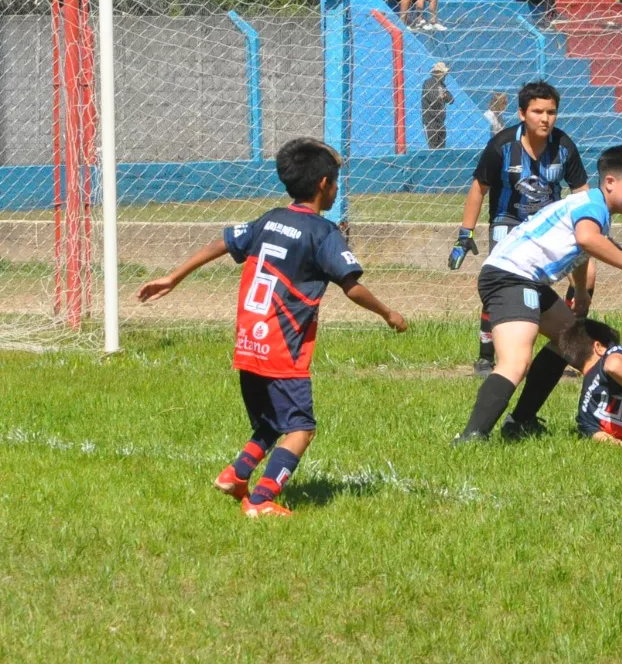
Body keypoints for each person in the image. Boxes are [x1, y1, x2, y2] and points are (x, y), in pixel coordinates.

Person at [136, 138, 407, 517]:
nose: (337, 188)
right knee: (300, 429)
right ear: (323, 185)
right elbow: (352, 286)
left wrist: (174, 277)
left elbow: (223, 242)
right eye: (336, 182)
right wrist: (388, 313)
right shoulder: (323, 233)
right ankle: (262, 499)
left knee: (269, 422)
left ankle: (236, 474)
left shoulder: (269, 219)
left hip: (248, 344)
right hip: (282, 349)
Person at [453, 145, 622, 444]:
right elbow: (587, 239)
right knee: (515, 360)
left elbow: (580, 247)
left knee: (574, 342)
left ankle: (520, 422)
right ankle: (471, 437)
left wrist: (582, 294)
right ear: (610, 182)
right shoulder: (594, 205)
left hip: (526, 279)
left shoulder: (592, 205)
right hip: (511, 276)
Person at [448, 81, 590, 377]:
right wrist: (465, 234)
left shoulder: (564, 147)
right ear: (522, 113)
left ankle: (564, 352)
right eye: (538, 111)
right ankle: (486, 357)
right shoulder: (502, 145)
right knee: (502, 286)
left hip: (549, 227)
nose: (545, 118)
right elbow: (479, 188)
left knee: (575, 282)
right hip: (508, 222)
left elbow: (581, 194)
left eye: (551, 112)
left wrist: (585, 235)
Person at [421, 62, 453, 149]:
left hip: (440, 120)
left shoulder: (442, 85)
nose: (446, 76)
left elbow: (451, 99)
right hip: (431, 120)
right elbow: (432, 99)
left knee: (442, 144)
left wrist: (445, 96)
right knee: (433, 145)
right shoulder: (428, 83)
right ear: (439, 73)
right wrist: (441, 97)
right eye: (444, 74)